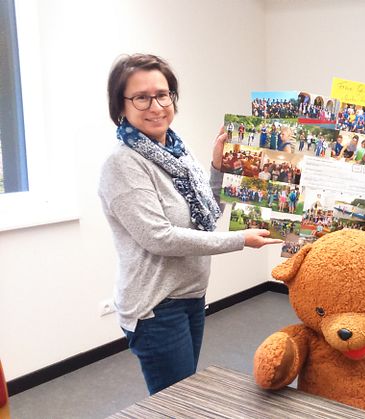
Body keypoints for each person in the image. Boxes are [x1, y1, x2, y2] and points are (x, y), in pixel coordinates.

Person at [99, 54, 283, 395]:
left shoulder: (176, 152)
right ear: (121, 106)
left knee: (184, 394)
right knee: (176, 403)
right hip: (155, 307)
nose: (156, 105)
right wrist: (240, 239)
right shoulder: (122, 164)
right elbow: (161, 238)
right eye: (141, 97)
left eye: (163, 94)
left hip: (191, 295)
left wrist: (218, 165)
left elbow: (207, 215)